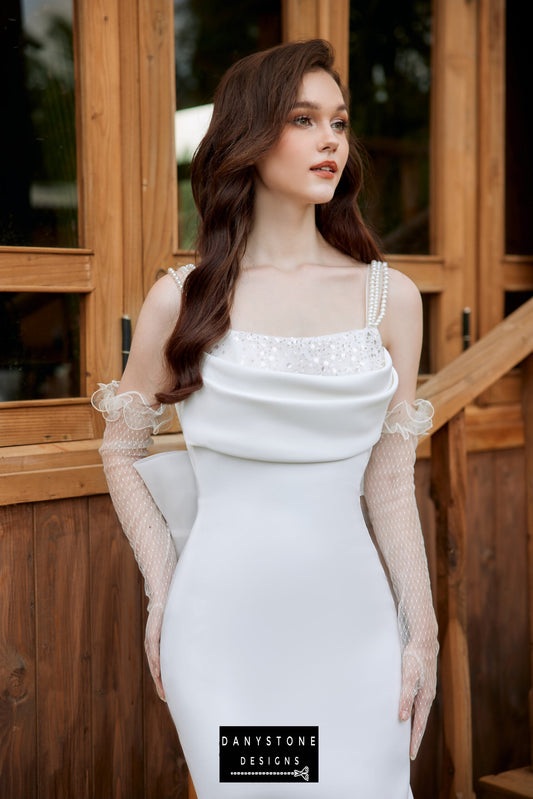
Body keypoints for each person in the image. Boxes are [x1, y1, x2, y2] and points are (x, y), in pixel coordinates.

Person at [92, 39, 438, 798]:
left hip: (353, 633)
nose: (330, 141)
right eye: (303, 119)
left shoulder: (392, 299)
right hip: (226, 635)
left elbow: (387, 486)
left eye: (339, 122)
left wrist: (422, 632)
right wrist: (163, 582)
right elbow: (121, 449)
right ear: (248, 139)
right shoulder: (182, 299)